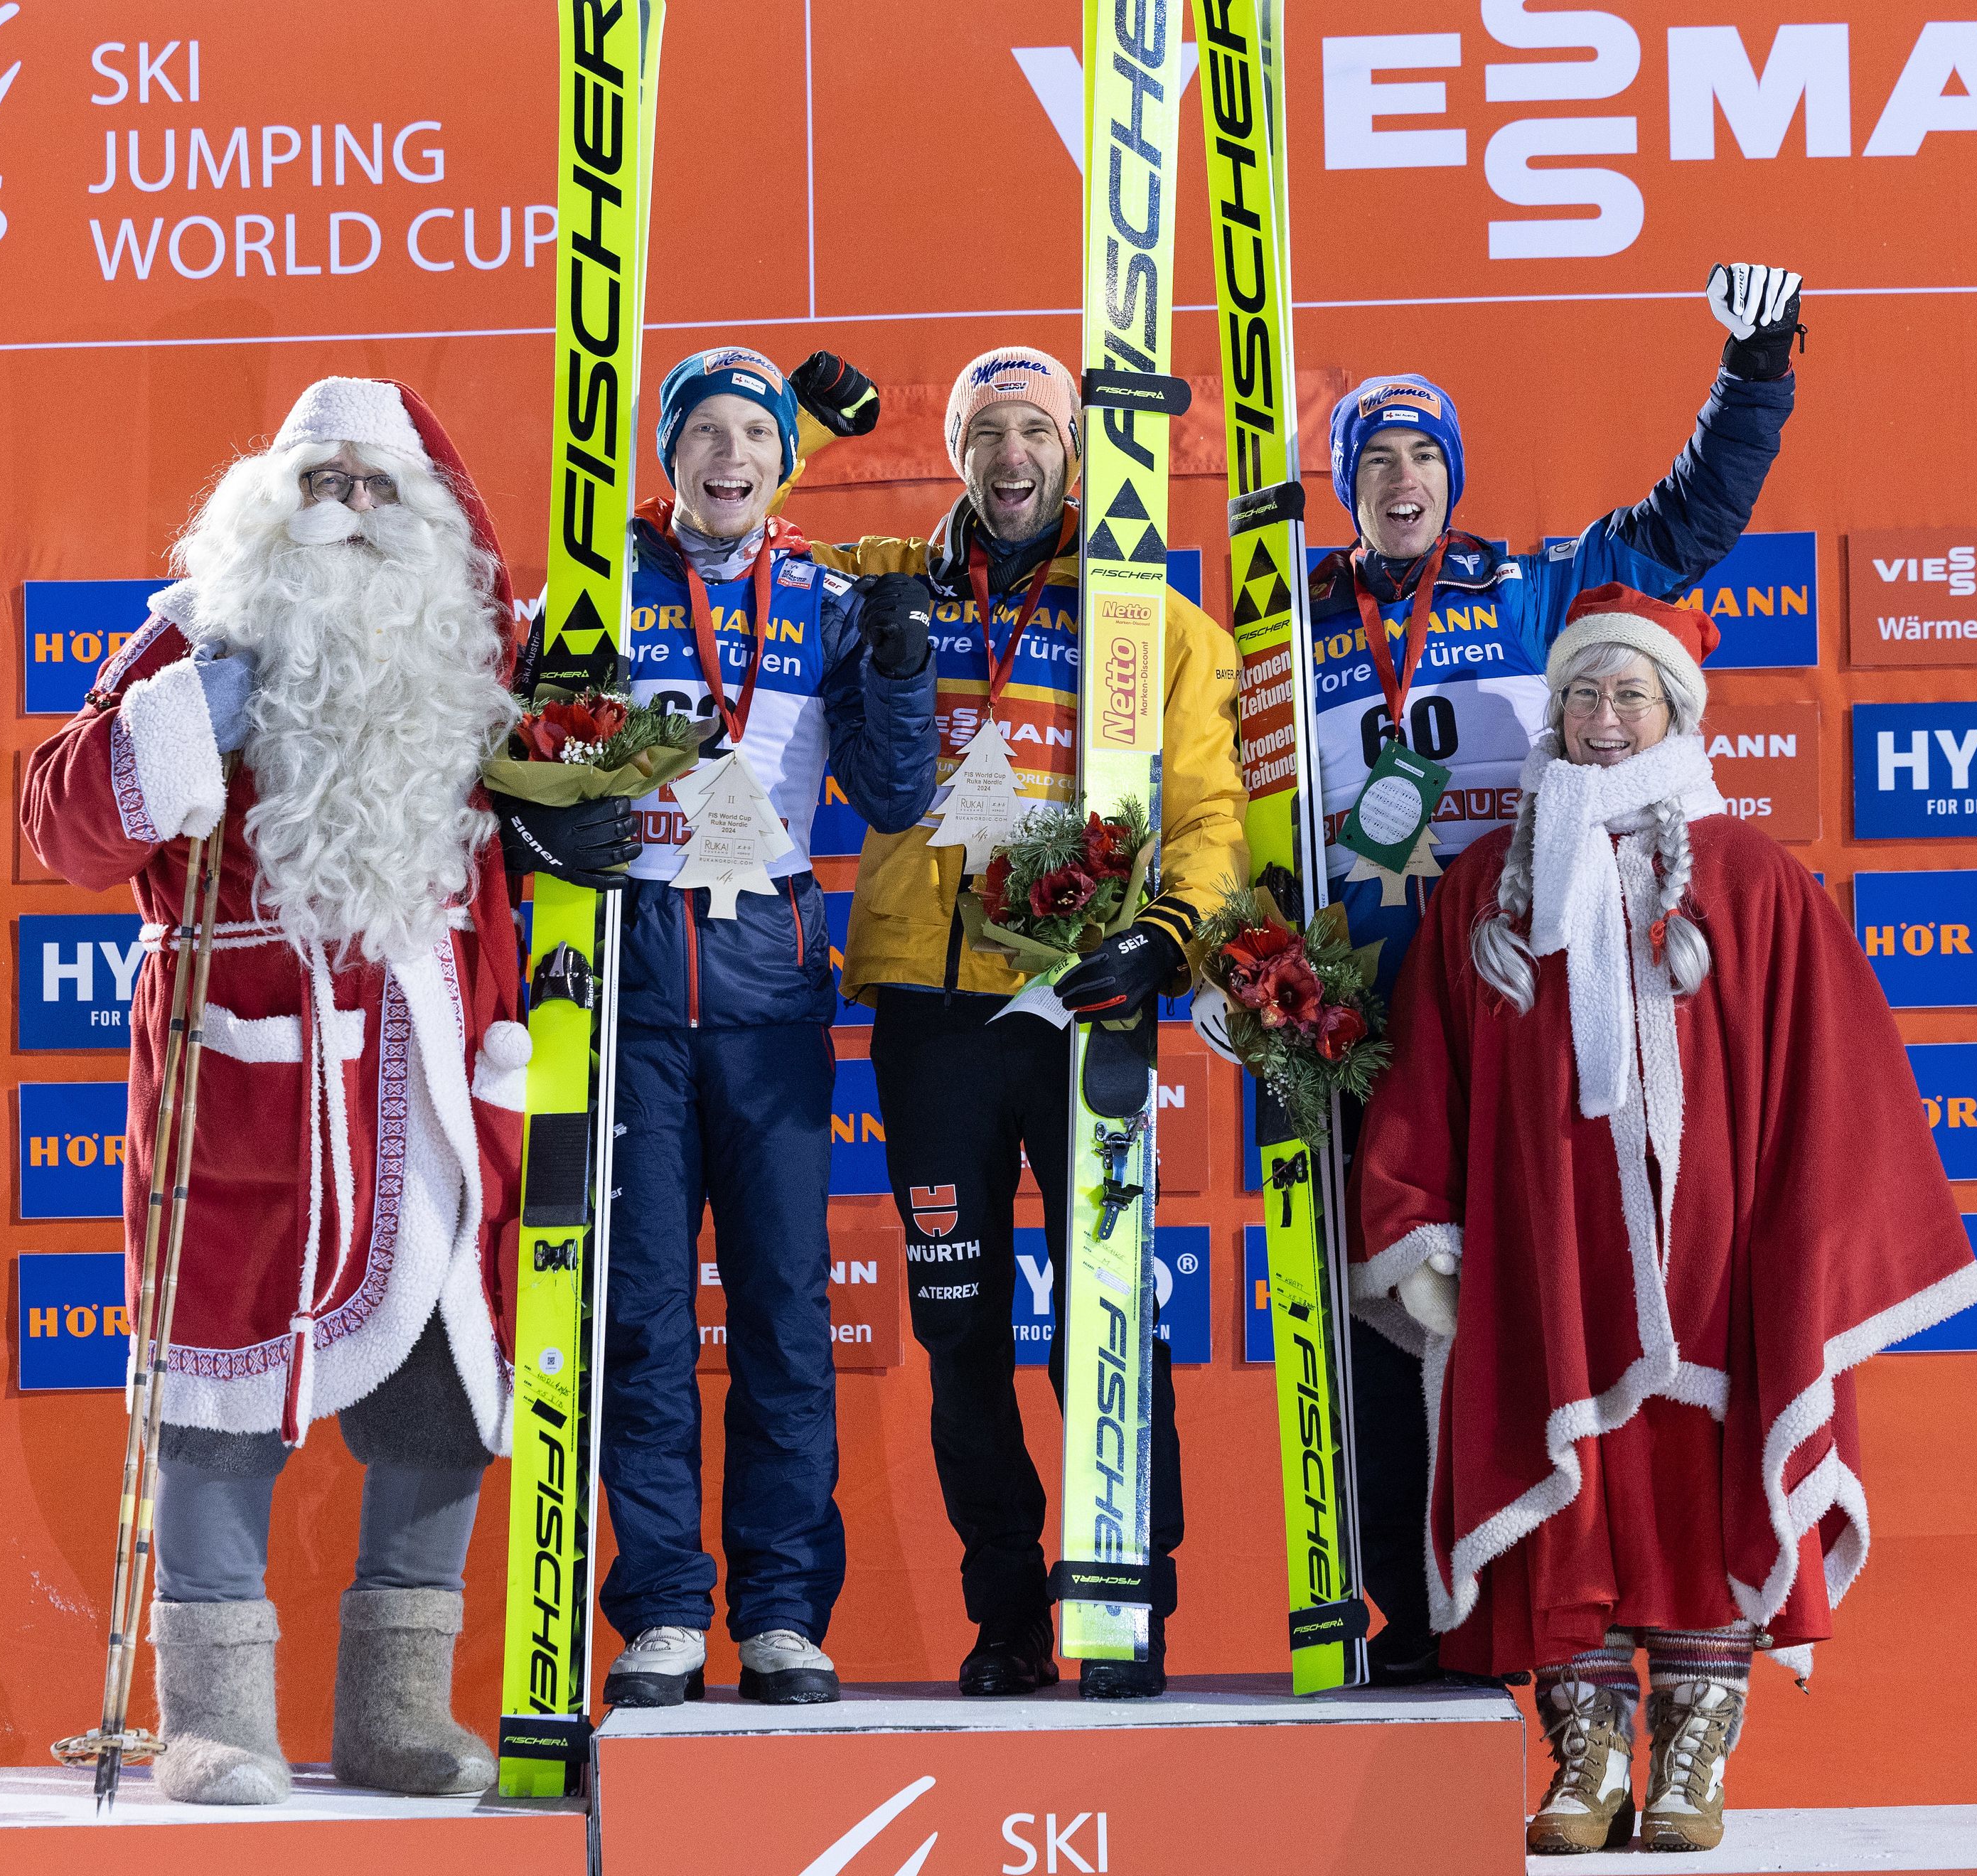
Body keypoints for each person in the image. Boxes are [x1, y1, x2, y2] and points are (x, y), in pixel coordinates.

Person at [24, 376, 616, 1804]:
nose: (344, 515)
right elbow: (63, 831)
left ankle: (394, 1717)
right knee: (218, 1400)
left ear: (419, 514)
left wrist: (590, 828)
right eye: (316, 485)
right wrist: (176, 722)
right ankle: (211, 1721)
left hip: (441, 1070)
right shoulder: (191, 636)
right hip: (249, 1082)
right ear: (264, 504)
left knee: (444, 1393)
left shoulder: (474, 657)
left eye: (371, 489)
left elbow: (555, 815)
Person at [1352, 586, 1977, 1854]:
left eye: (1628, 694)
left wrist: (1804, 1256)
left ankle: (1693, 1747)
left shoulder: (1754, 883)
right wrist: (1422, 1228)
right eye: (1582, 693)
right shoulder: (1487, 887)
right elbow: (1427, 1078)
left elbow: (1836, 1080)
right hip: (1549, 1255)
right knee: (1567, 1478)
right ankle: (1585, 1750)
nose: (1600, 719)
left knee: (1699, 1477)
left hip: (1717, 1254)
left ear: (1675, 711)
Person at [1275, 264, 1810, 1698]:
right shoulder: (1283, 618)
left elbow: (1689, 520)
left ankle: (1544, 1620)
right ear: (1341, 485)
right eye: (1371, 460)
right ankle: (1415, 1619)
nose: (1399, 481)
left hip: (1508, 1009)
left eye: (1421, 458)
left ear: (1452, 477)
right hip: (1346, 1015)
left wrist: (1751, 375)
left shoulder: (1531, 586)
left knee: (1538, 1309)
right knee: (1388, 1326)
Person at [809, 346, 1249, 1700]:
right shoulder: (884, 579)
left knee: (1111, 1322)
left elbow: (1212, 814)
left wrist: (1171, 932)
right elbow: (732, 543)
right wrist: (796, 416)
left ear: (1075, 449)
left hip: (1081, 1008)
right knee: (957, 1327)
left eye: (1037, 431)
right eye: (987, 430)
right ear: (959, 450)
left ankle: (1126, 1606)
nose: (1013, 456)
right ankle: (1003, 1617)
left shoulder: (1151, 621)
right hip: (934, 1019)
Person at [583, 345, 939, 1710]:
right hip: (629, 999)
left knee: (789, 1314)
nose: (727, 455)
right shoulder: (598, 581)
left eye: (752, 434)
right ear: (666, 455)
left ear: (780, 463)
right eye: (703, 433)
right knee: (650, 1317)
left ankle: (782, 1611)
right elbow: (521, 764)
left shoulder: (826, 597)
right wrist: (551, 820)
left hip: (772, 998)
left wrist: (902, 670)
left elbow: (898, 795)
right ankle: (666, 1610)